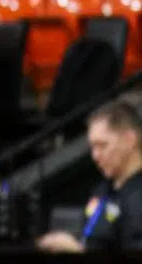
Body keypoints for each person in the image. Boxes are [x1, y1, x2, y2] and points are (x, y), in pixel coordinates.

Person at [38, 95, 142, 253]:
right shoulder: (103, 190)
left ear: (130, 140)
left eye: (102, 145)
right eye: (92, 147)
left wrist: (77, 252)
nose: (95, 155)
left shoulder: (137, 196)